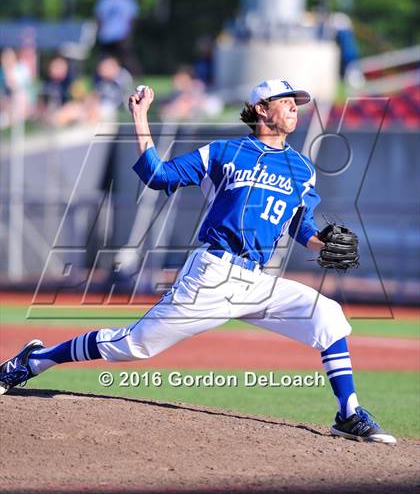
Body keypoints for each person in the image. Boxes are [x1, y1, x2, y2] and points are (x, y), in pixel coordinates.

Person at [0, 79, 396, 444]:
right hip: (212, 274)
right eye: (286, 102)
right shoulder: (225, 152)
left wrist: (323, 243)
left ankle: (348, 413)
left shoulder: (302, 170)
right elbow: (157, 176)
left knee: (327, 315)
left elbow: (301, 227)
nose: (295, 108)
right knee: (133, 346)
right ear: (260, 108)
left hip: (257, 281)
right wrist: (140, 117)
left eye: (298, 104)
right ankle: (34, 360)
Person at [95, 0, 140, 75]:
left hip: (113, 35)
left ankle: (133, 78)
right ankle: (134, 78)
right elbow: (132, 18)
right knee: (120, 60)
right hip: (115, 35)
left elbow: (99, 20)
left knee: (124, 60)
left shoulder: (105, 0)